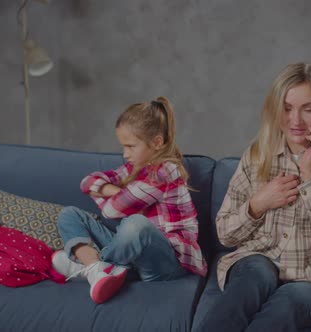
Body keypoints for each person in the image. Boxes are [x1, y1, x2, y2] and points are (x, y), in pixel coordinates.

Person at [195, 63, 311, 331]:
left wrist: (310, 176)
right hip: (258, 262)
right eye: (286, 108)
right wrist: (257, 204)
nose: (295, 121)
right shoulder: (257, 155)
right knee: (256, 273)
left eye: (308, 109)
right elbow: (225, 235)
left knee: (291, 300)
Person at [52, 96, 207, 304]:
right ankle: (97, 270)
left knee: (136, 225)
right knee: (69, 214)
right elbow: (87, 182)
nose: (125, 154)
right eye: (123, 147)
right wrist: (115, 189)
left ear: (157, 142)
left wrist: (112, 195)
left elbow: (112, 211)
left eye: (131, 146)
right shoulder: (133, 169)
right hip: (134, 258)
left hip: (169, 262)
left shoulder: (164, 171)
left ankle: (89, 266)